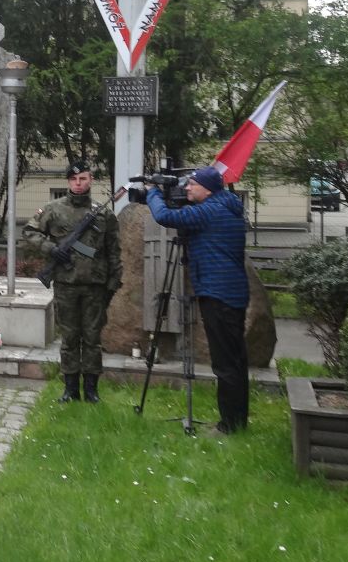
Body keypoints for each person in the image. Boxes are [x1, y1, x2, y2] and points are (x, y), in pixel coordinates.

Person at [144, 165, 250, 435]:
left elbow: (164, 216)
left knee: (225, 363)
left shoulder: (208, 212)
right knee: (236, 360)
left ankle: (229, 426)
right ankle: (238, 420)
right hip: (233, 292)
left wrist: (153, 192)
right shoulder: (228, 207)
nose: (187, 188)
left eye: (193, 184)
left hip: (218, 293)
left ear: (208, 189)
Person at [23, 160, 122, 404]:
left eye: (83, 179)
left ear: (91, 180)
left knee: (92, 338)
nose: (78, 184)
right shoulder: (53, 209)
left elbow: (113, 251)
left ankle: (91, 390)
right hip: (66, 283)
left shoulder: (104, 214)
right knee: (69, 338)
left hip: (94, 285)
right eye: (74, 180)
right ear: (68, 181)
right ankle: (70, 390)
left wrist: (114, 282)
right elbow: (30, 231)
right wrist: (51, 249)